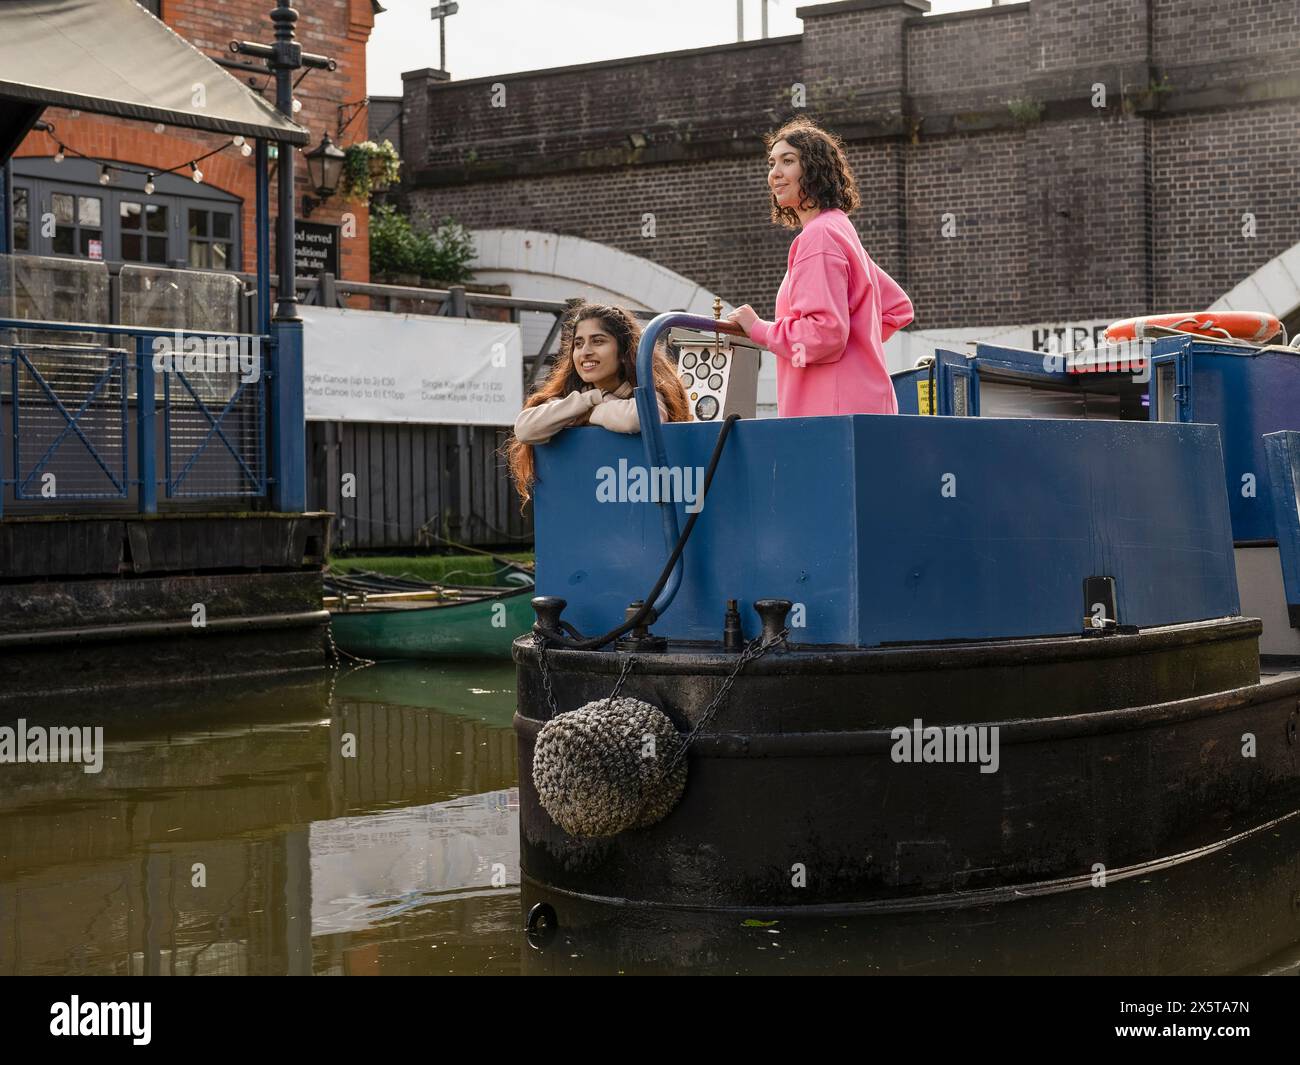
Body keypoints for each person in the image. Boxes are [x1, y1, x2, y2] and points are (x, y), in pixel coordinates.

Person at [727, 116, 914, 417]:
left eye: (787, 161)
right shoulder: (839, 228)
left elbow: (824, 334)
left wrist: (758, 328)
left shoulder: (819, 237)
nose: (775, 173)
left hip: (830, 416)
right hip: (863, 408)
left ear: (814, 169)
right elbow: (897, 308)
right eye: (771, 163)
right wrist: (855, 346)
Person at [506, 302, 689, 506]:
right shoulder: (573, 400)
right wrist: (590, 400)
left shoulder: (647, 391)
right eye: (578, 344)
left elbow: (640, 418)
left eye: (598, 341)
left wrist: (591, 411)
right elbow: (525, 428)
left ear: (622, 351)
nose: (585, 352)